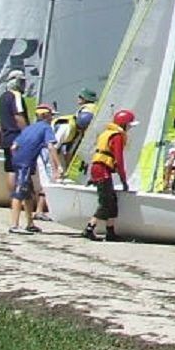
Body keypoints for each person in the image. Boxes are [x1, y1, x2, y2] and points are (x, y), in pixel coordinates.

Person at [84, 109, 135, 242]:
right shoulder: (117, 136)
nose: (130, 127)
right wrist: (124, 180)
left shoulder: (107, 133)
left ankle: (110, 232)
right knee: (106, 202)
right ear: (124, 124)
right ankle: (89, 228)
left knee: (112, 202)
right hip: (102, 170)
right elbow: (119, 159)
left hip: (99, 168)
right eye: (129, 125)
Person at [7, 104, 57, 233]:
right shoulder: (46, 128)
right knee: (19, 193)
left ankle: (30, 223)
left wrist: (18, 158)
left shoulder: (29, 128)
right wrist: (58, 167)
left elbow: (14, 146)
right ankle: (14, 225)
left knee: (29, 194)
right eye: (51, 115)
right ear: (46, 116)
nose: (52, 118)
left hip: (18, 161)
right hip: (25, 164)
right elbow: (51, 147)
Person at [0, 72, 32, 197]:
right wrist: (28, 135)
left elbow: (0, 121)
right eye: (21, 82)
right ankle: (19, 198)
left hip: (6, 137)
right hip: (17, 137)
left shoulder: (2, 97)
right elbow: (18, 116)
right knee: (20, 169)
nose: (24, 85)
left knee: (10, 169)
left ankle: (13, 198)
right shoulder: (15, 96)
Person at [54, 88, 99, 163]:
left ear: (85, 98)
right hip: (86, 134)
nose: (78, 98)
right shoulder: (93, 107)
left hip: (81, 134)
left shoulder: (87, 109)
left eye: (80, 96)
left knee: (69, 154)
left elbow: (83, 121)